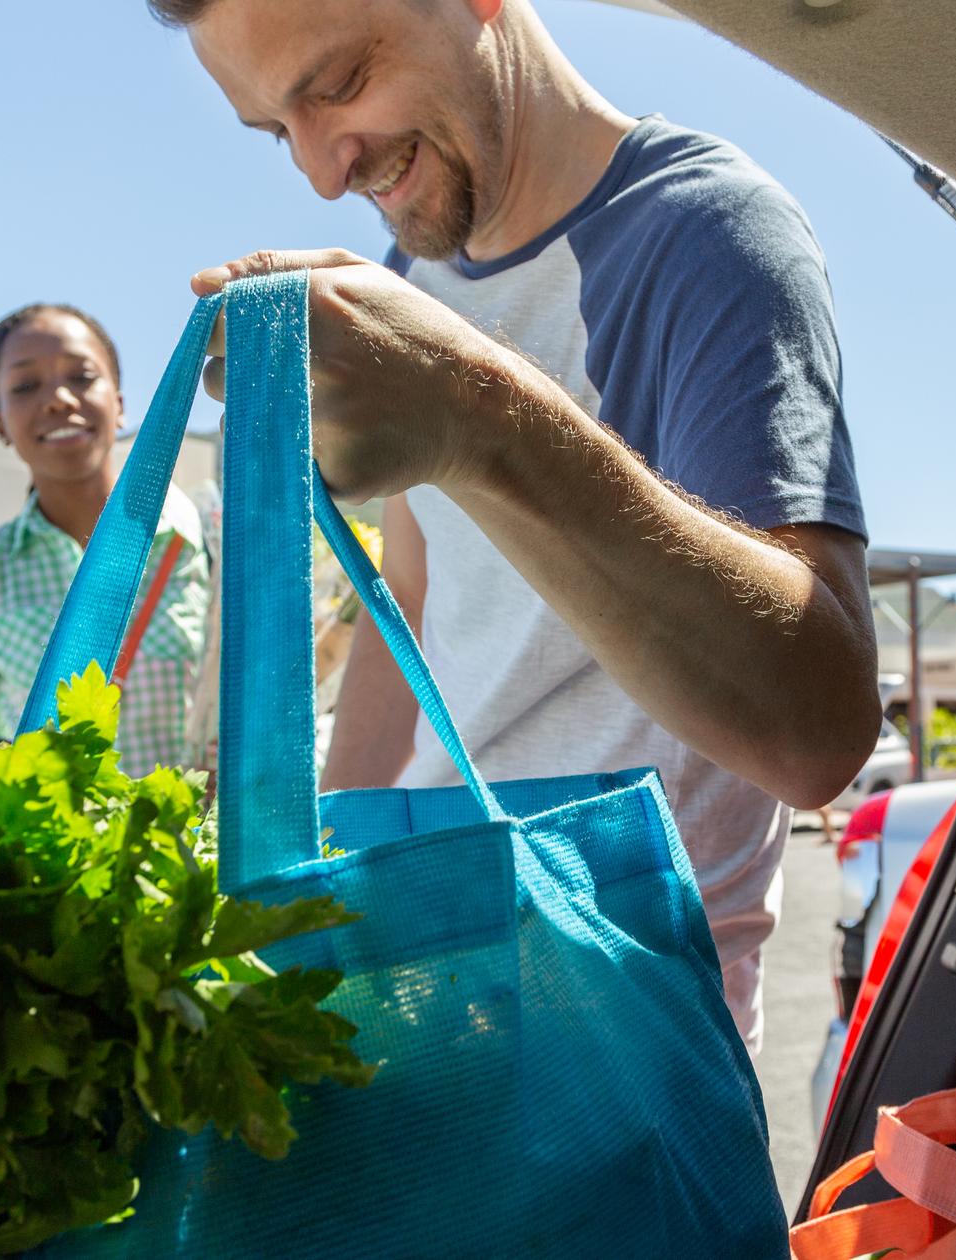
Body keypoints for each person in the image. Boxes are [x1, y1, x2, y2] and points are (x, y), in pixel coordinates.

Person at [155, 0, 879, 1050]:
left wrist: (476, 417)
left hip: (616, 1009)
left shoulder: (705, 231)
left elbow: (816, 734)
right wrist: (304, 901)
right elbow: (411, 604)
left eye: (341, 83)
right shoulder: (409, 283)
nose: (321, 172)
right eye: (277, 131)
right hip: (427, 945)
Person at [0, 304, 209, 773]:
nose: (59, 399)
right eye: (25, 386)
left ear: (119, 403)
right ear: (0, 423)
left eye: (82, 377)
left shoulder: (208, 539)